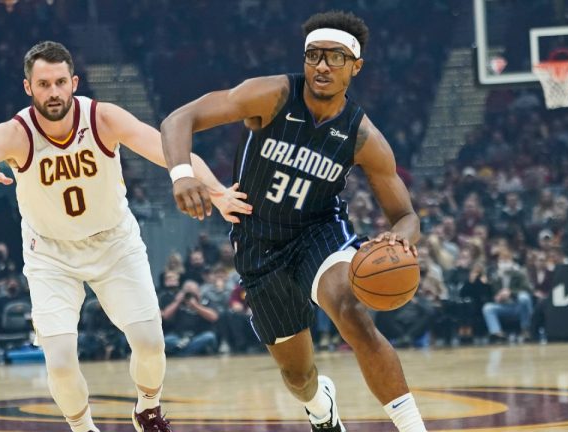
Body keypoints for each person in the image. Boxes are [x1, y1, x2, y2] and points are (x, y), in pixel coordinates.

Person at [0, 41, 248, 432]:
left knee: (151, 343)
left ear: (74, 82)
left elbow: (170, 150)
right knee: (60, 361)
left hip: (113, 242)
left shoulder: (103, 118)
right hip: (50, 253)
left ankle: (147, 408)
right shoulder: (16, 133)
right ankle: (84, 428)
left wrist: (218, 191)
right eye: (43, 84)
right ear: (28, 88)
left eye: (59, 82)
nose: (52, 92)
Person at [161, 11, 428, 432]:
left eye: (335, 58)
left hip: (318, 233)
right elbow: (180, 118)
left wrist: (400, 239)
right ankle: (320, 408)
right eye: (314, 55)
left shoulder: (363, 137)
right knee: (299, 377)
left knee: (350, 310)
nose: (322, 65)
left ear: (355, 67)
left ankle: (413, 427)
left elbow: (406, 215)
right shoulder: (272, 94)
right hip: (258, 241)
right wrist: (181, 175)